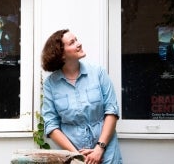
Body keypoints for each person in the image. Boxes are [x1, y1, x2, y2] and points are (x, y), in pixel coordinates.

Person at [41, 29, 123, 164]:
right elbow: (51, 125)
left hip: (106, 153)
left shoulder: (98, 73)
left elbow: (112, 111)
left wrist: (99, 148)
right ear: (61, 54)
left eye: (77, 39)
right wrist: (76, 156)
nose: (79, 44)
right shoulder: (51, 84)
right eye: (72, 42)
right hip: (74, 156)